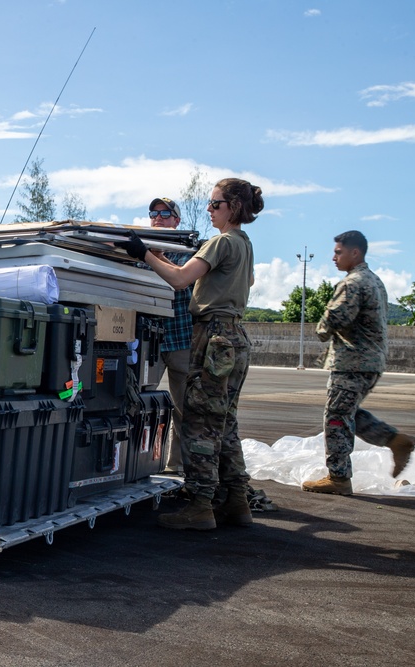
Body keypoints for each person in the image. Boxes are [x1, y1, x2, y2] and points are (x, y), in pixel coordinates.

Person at [116, 178, 261, 530]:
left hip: (212, 336)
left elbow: (181, 280)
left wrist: (144, 253)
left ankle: (200, 505)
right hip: (233, 335)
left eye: (215, 204)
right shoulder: (243, 243)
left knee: (199, 423)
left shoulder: (220, 243)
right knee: (223, 423)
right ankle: (237, 502)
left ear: (233, 208)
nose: (210, 210)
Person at [301, 231, 415, 495]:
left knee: (336, 417)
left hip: (353, 361)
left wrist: (321, 328)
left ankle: (338, 478)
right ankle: (395, 440)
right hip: (370, 360)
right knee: (347, 412)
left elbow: (337, 317)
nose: (334, 257)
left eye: (339, 252)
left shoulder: (353, 282)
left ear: (356, 253)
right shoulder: (374, 280)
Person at [147, 197, 193, 474]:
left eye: (166, 213)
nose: (159, 218)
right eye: (154, 213)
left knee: (184, 409)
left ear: (177, 220)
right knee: (137, 402)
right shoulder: (140, 253)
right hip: (149, 344)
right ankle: (139, 461)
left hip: (181, 340)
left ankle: (176, 466)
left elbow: (182, 283)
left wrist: (154, 257)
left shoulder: (187, 253)